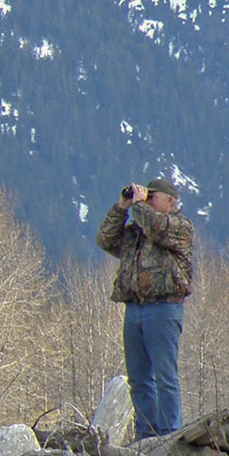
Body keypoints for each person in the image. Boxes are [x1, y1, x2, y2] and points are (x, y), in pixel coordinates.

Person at [97, 175, 195, 440]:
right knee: (139, 380)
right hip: (135, 308)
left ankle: (169, 435)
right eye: (145, 195)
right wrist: (122, 208)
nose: (147, 200)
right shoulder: (136, 234)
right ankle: (146, 436)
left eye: (153, 197)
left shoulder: (179, 226)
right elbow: (106, 240)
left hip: (164, 309)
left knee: (165, 377)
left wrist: (140, 206)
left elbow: (157, 228)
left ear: (171, 201)